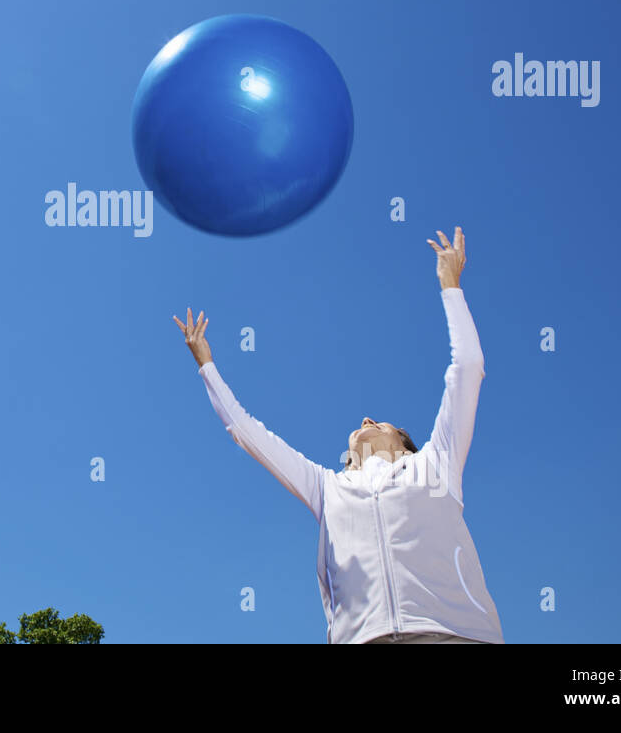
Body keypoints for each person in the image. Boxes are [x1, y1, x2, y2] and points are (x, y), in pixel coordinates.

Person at [174, 227, 503, 644]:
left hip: (454, 636)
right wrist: (206, 365)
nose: (367, 418)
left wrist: (450, 285)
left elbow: (468, 367)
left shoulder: (436, 464)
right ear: (346, 454)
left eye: (381, 422)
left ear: (404, 443)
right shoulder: (327, 487)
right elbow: (245, 430)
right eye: (362, 423)